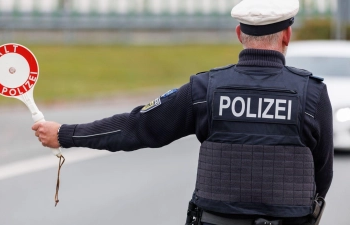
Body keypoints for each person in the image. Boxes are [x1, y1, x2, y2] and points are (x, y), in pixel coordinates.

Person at [32, 0, 333, 224]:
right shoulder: (313, 95)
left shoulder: (204, 90)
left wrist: (64, 134)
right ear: (287, 35)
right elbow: (323, 174)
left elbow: (136, 128)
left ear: (240, 33)